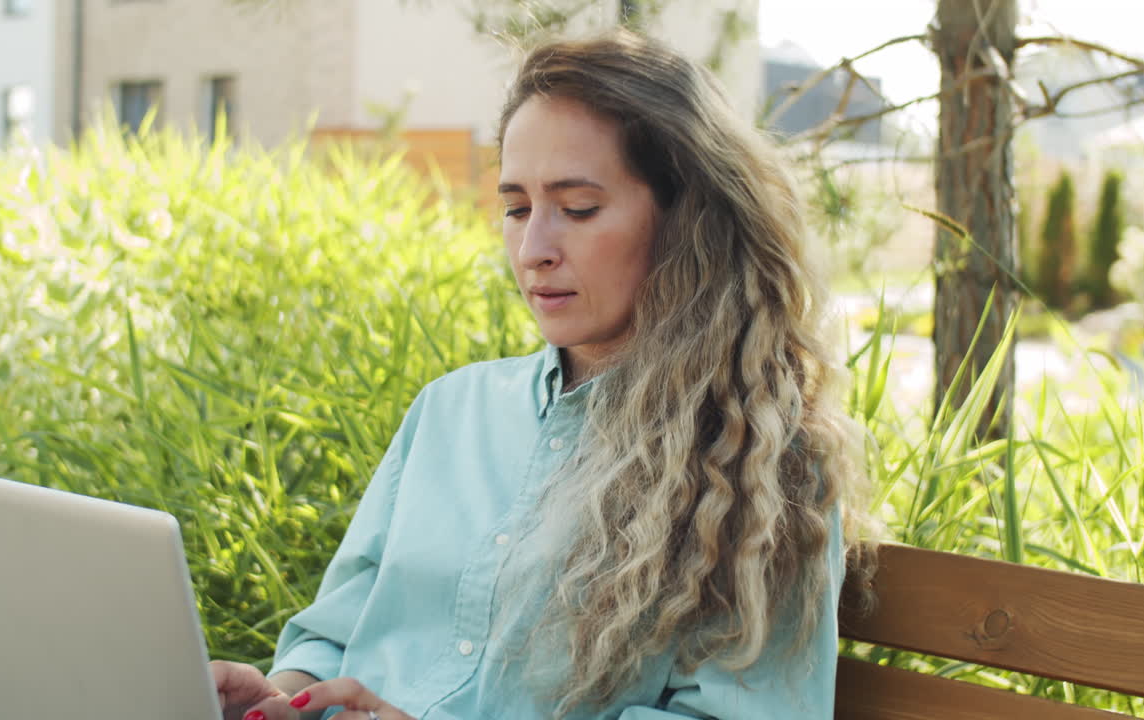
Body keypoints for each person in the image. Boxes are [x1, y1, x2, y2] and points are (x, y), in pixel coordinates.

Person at [211, 28, 871, 720]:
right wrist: (279, 696)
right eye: (516, 208)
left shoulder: (758, 460)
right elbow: (334, 635)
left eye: (577, 209)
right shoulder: (450, 410)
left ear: (684, 217)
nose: (532, 250)